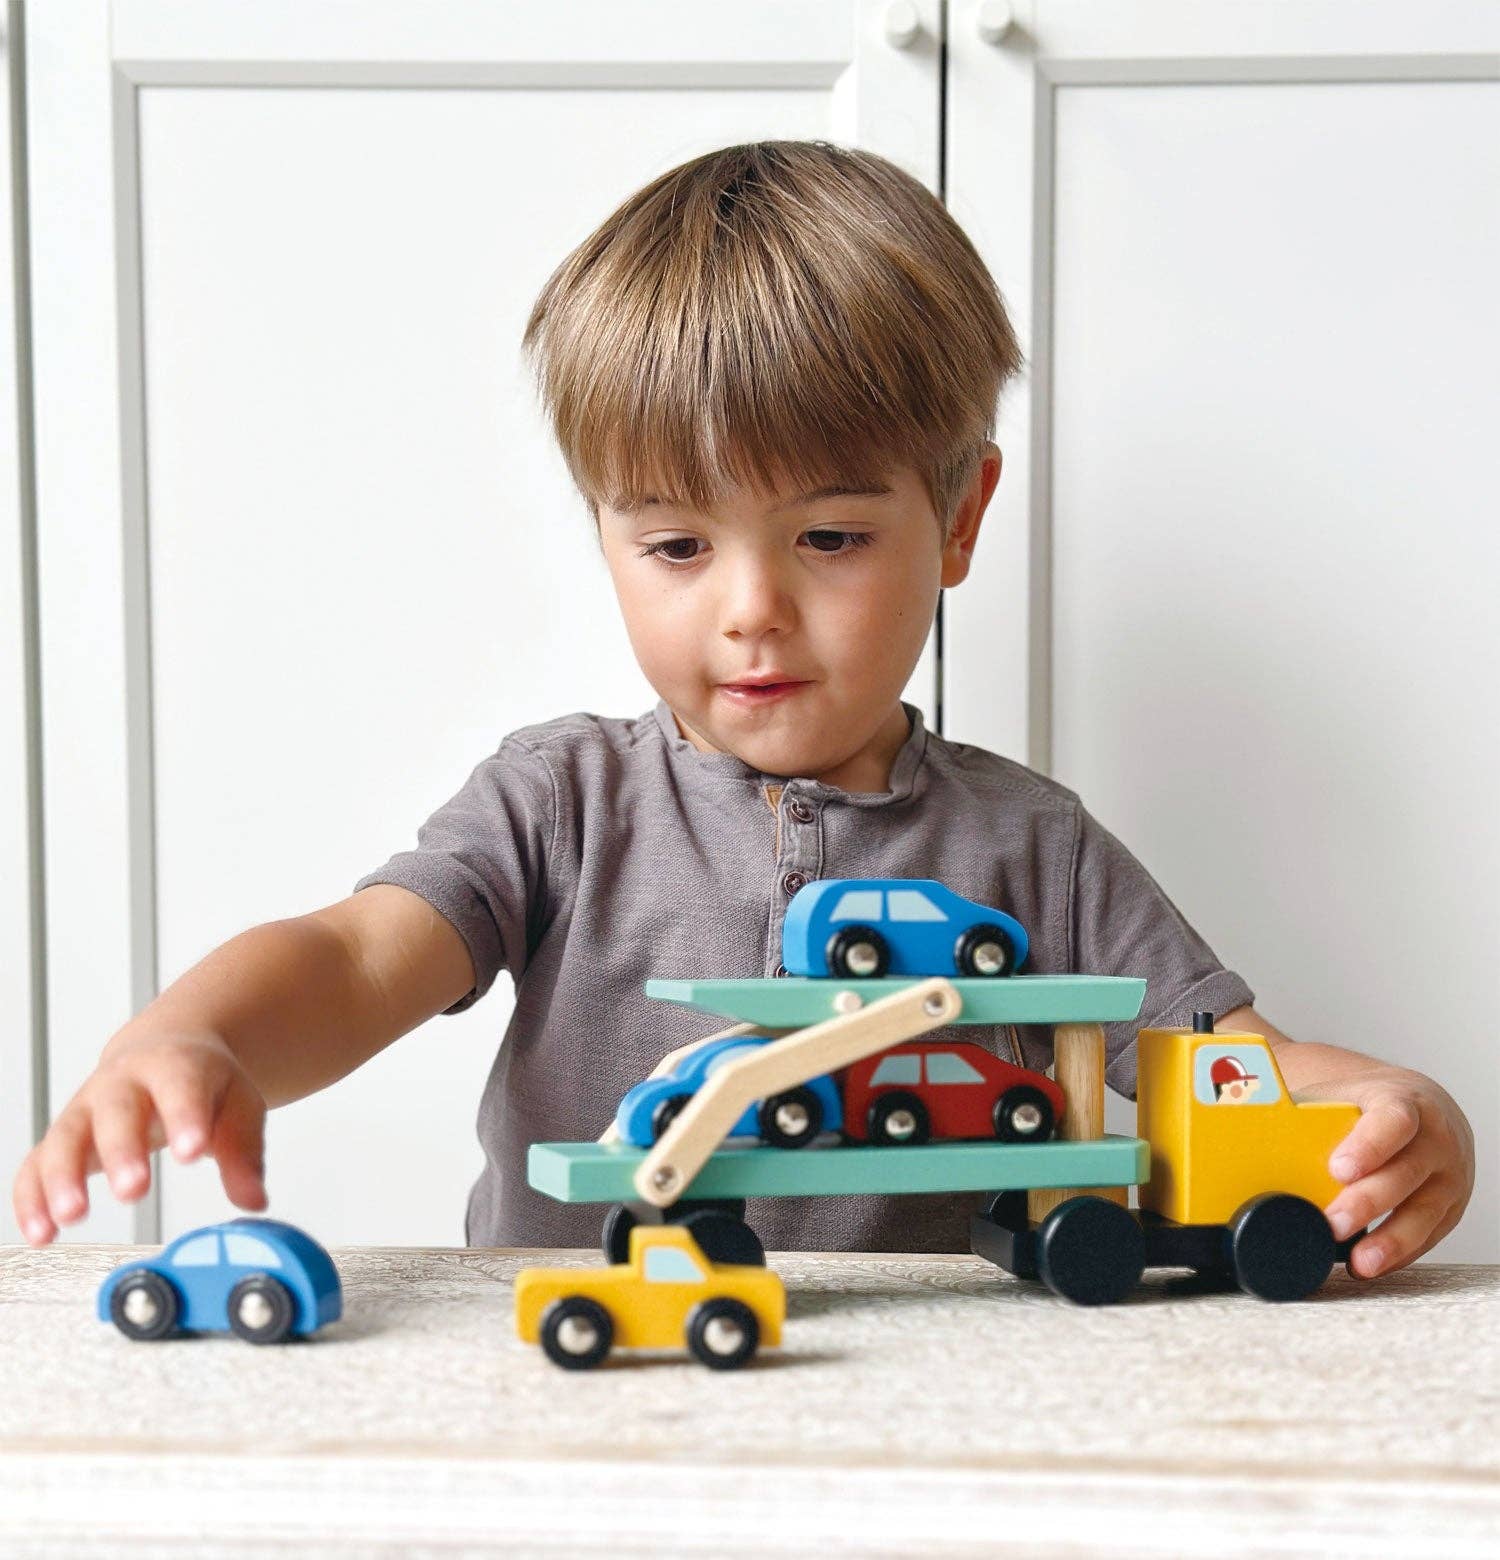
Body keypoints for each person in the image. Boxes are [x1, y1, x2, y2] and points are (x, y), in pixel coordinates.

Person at [11, 141, 1473, 1272]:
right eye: (676, 545)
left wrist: (1400, 1118)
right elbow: (354, 958)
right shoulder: (557, 805)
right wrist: (196, 1038)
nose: (751, 608)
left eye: (829, 537)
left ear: (960, 519)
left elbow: (1243, 1070)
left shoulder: (1034, 845)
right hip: (595, 1399)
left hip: (923, 1427)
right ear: (605, 533)